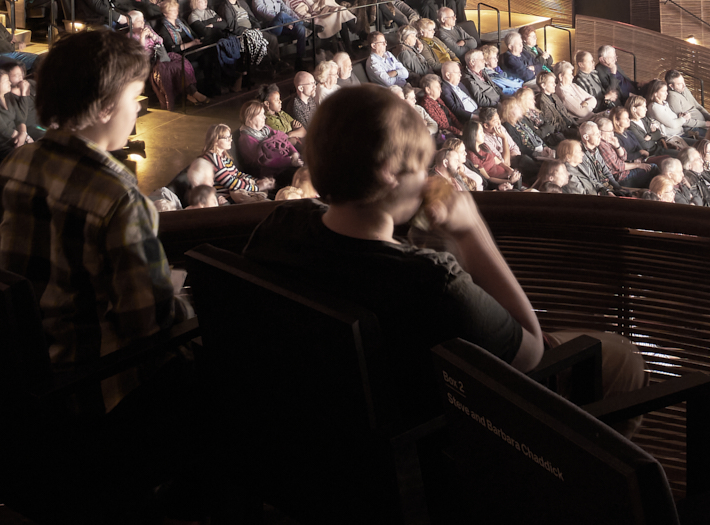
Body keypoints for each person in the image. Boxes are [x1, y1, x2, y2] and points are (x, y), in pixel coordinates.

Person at [247, 84, 640, 421]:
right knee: (623, 357)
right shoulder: (432, 280)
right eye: (420, 168)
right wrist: (471, 233)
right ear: (388, 173)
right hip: (434, 436)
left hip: (315, 425)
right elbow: (532, 351)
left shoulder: (280, 223)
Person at [0, 27, 194, 420]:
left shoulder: (14, 165)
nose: (137, 108)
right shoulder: (119, 197)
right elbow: (145, 322)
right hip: (94, 388)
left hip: (27, 375)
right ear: (104, 107)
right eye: (134, 97)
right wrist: (187, 305)